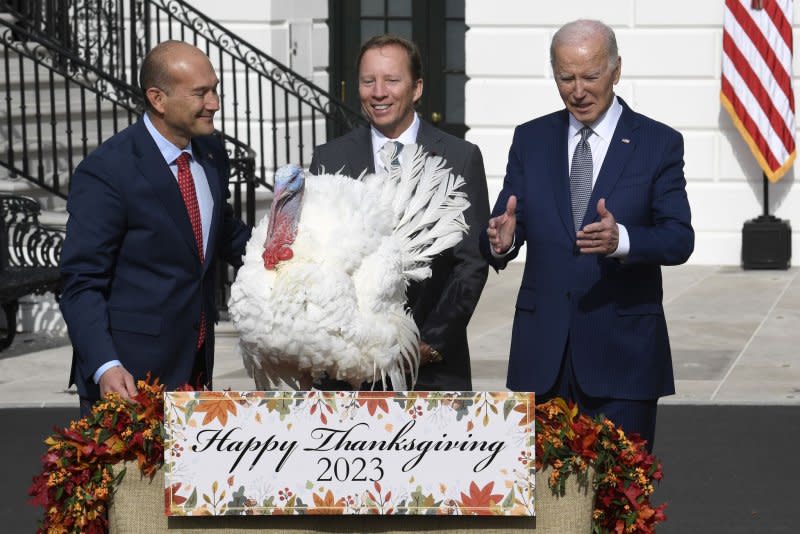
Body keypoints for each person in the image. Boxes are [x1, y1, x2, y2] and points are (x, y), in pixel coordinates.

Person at [481, 20, 693, 452]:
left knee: (620, 504)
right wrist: (501, 241)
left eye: (590, 76)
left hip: (623, 358)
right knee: (546, 507)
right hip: (542, 358)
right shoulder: (531, 139)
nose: (577, 90)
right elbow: (510, 218)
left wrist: (624, 241)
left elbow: (678, 238)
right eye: (565, 77)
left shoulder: (658, 143)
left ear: (616, 71)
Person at [60, 41, 251, 415]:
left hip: (195, 369)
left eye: (214, 89)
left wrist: (293, 260)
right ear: (158, 99)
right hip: (128, 379)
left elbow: (224, 232)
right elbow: (81, 281)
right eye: (200, 93)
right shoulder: (108, 171)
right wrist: (105, 366)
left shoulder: (212, 155)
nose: (214, 103)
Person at [310, 34, 490, 390]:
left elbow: (471, 262)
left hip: (433, 367)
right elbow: (315, 258)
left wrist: (431, 345)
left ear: (417, 88)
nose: (378, 92)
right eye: (368, 81)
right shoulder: (329, 159)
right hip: (348, 371)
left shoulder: (458, 158)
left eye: (391, 80)